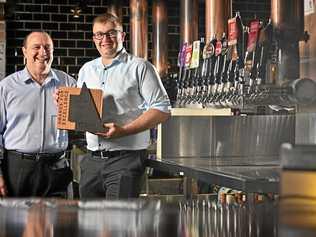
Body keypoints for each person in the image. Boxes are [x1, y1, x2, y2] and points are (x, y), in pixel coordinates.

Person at [77, 13, 171, 199]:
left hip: (125, 160)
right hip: (91, 161)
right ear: (94, 38)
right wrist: (64, 102)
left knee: (119, 224)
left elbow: (162, 109)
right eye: (99, 34)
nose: (105, 39)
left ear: (122, 36)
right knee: (89, 224)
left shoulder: (140, 67)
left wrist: (123, 130)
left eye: (111, 33)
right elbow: (83, 108)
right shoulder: (86, 70)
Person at [0, 31, 76, 197]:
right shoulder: (6, 87)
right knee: (16, 221)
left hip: (56, 167)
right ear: (24, 51)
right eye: (36, 47)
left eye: (47, 47)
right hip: (17, 169)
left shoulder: (69, 83)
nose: (43, 52)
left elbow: (83, 121)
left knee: (58, 221)